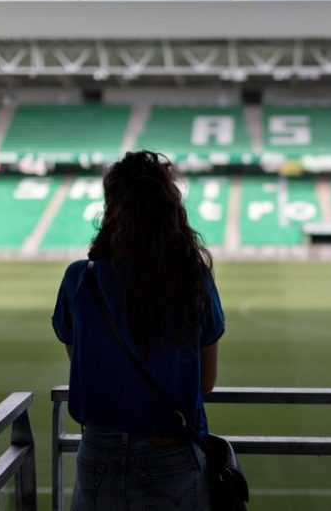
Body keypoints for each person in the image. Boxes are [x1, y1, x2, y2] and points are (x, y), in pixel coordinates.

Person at [52, 150, 224, 511]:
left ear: (111, 207)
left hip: (98, 452)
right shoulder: (193, 279)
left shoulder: (78, 279)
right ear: (170, 208)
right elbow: (205, 382)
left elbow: (79, 358)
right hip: (171, 454)